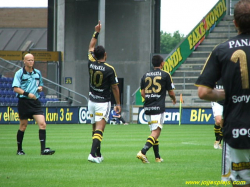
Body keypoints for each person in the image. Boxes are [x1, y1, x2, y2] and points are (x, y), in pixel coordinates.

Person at [195, 0, 250, 185]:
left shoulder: (221, 50)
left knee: (241, 182)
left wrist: (227, 94)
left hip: (237, 130)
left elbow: (203, 92)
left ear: (234, 22)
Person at [87, 21, 121, 163]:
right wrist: (118, 103)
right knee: (100, 129)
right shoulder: (109, 69)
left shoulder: (90, 61)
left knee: (95, 129)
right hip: (103, 102)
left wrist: (96, 32)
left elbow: (90, 46)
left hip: (91, 100)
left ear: (94, 54)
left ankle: (98, 154)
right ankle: (91, 154)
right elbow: (114, 87)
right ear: (105, 55)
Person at [12, 53, 55, 155]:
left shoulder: (37, 73)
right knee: (23, 126)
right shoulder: (19, 73)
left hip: (35, 102)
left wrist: (40, 88)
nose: (31, 62)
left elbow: (40, 84)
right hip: (24, 102)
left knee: (42, 124)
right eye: (29, 60)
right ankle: (19, 149)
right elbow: (15, 88)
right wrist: (28, 94)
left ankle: (43, 150)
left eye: (32, 60)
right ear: (24, 61)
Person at [137, 55, 176, 163]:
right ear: (162, 63)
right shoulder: (165, 75)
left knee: (154, 132)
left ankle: (157, 157)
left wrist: (150, 99)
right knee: (156, 132)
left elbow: (142, 93)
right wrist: (174, 99)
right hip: (158, 107)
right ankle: (143, 152)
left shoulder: (145, 75)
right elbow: (171, 92)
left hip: (148, 107)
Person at [211, 79, 224, 149]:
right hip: (216, 101)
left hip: (226, 102)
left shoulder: (229, 75)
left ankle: (220, 142)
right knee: (218, 121)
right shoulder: (216, 76)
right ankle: (217, 140)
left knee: (223, 123)